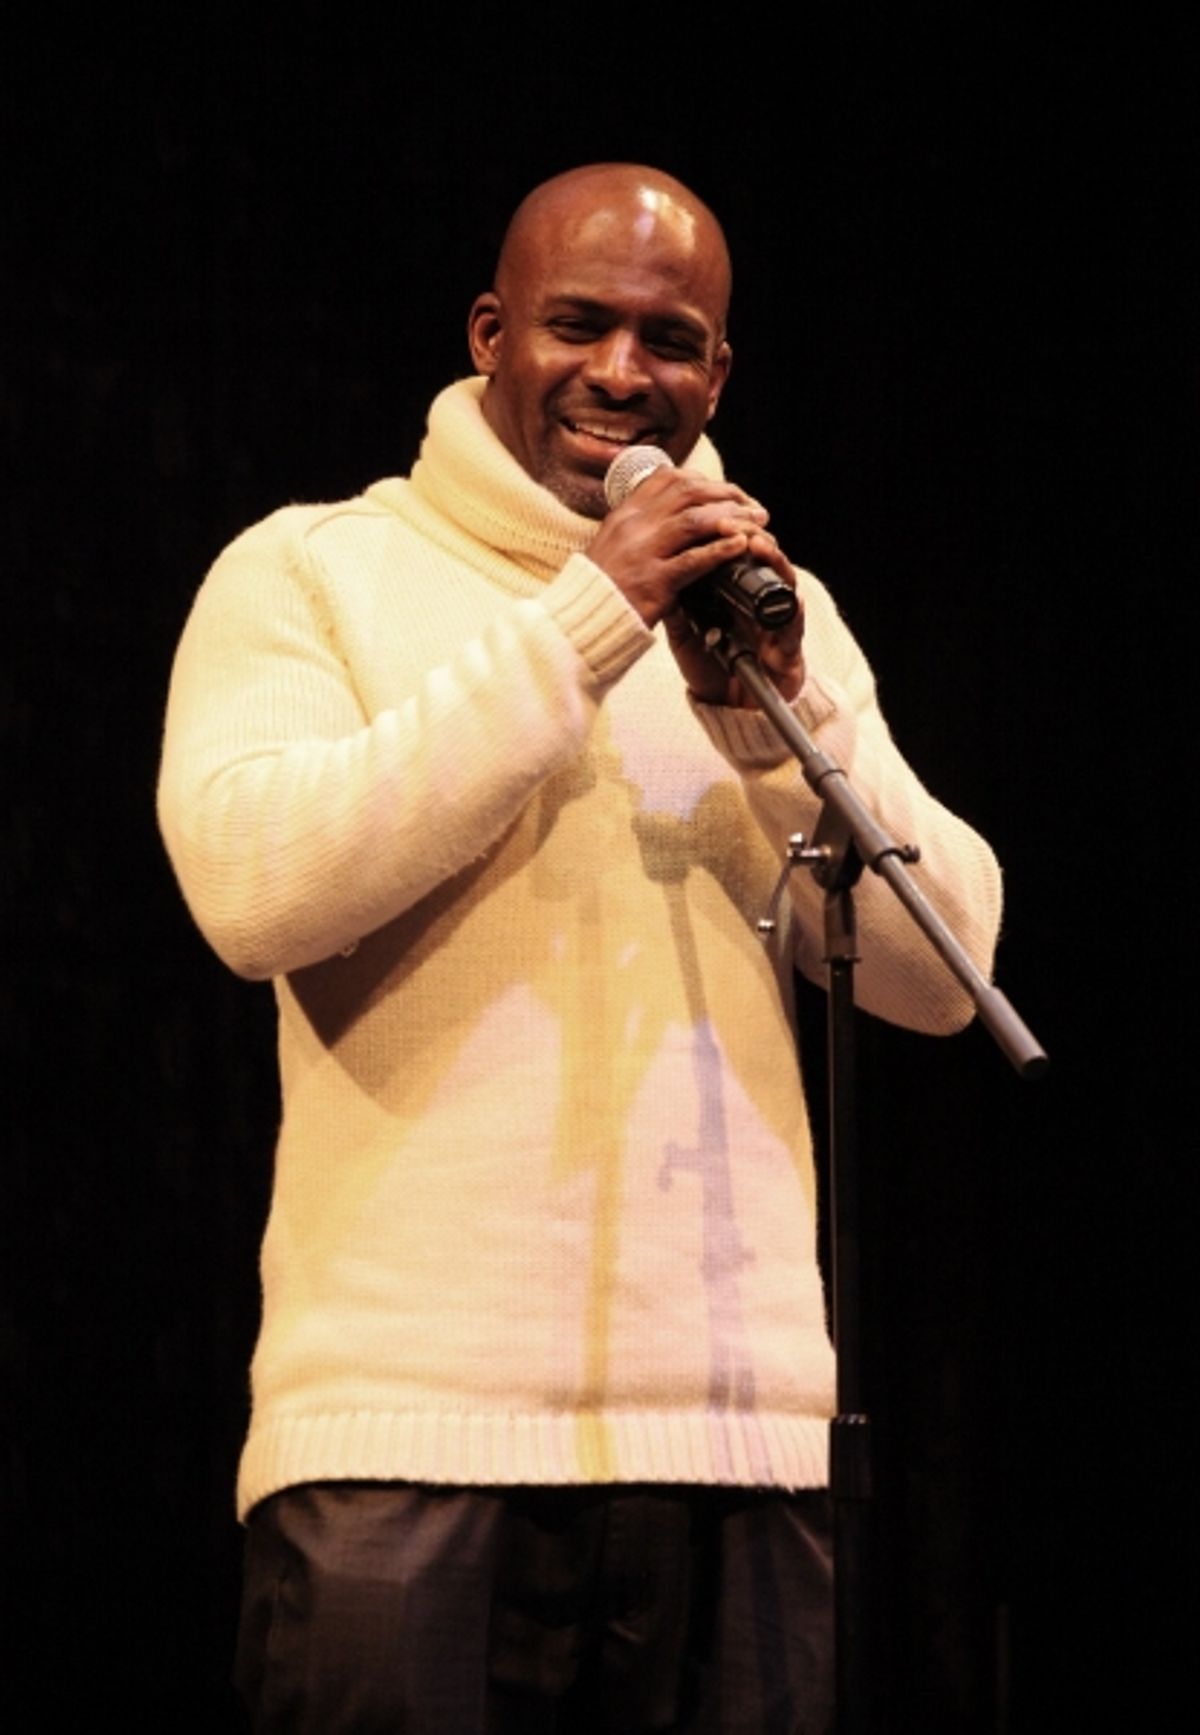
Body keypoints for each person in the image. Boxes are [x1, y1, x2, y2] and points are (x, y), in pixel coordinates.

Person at [157, 162, 1003, 1733]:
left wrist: (775, 718)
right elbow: (258, 890)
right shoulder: (312, 571)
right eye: (579, 325)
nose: (626, 375)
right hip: (405, 1447)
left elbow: (946, 973)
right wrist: (585, 622)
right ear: (492, 333)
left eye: (671, 340)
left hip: (740, 1450)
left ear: (720, 373)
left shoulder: (765, 614)